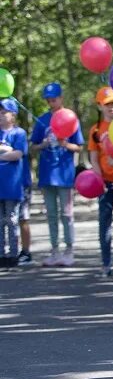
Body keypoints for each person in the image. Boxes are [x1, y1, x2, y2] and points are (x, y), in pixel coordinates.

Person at [30, 82, 83, 267]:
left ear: (61, 98)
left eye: (54, 99)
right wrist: (43, 144)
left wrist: (65, 144)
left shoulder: (70, 118)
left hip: (64, 174)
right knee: (51, 214)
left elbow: (79, 147)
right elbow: (33, 146)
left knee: (67, 214)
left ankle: (69, 250)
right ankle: (54, 250)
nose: (51, 102)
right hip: (46, 174)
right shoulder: (42, 120)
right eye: (49, 100)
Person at [88, 86, 113, 277]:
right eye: (107, 105)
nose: (111, 108)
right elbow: (94, 158)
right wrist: (99, 179)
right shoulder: (96, 130)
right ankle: (106, 264)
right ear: (99, 106)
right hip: (106, 183)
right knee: (105, 224)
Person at [0, 97, 27, 268]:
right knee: (0, 221)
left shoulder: (19, 133)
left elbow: (18, 154)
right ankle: (1, 254)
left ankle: (13, 254)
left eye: (4, 113)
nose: (1, 116)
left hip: (12, 185)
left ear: (13, 115)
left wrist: (5, 152)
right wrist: (6, 151)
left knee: (11, 219)